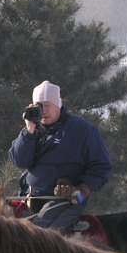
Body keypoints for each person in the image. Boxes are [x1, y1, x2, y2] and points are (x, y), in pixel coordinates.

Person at [9, 80, 112, 233]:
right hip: (31, 196)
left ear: (59, 105)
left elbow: (102, 166)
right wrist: (29, 129)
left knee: (38, 235)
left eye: (48, 105)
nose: (43, 111)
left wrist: (81, 191)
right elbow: (19, 161)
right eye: (39, 106)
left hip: (65, 200)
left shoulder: (80, 129)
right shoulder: (31, 131)